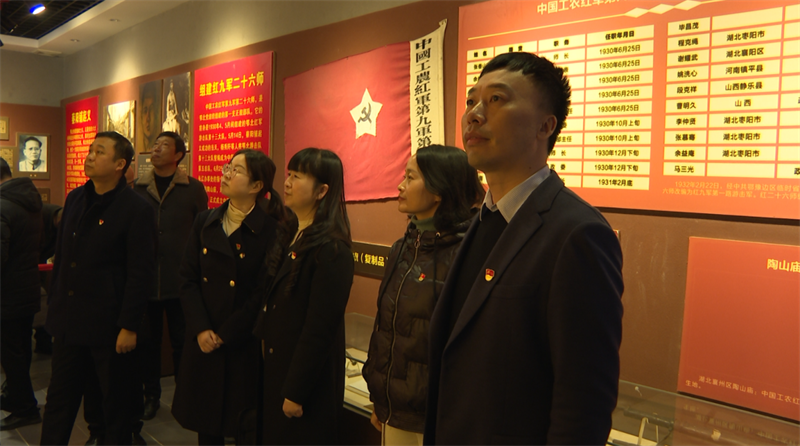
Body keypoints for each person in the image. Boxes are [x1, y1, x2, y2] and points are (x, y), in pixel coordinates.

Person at [424, 52, 624, 446]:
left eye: (496, 99)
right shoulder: (483, 219)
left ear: (545, 126)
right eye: (471, 101)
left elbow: (583, 406)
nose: (473, 115)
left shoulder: (577, 234)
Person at [40, 131, 157, 446]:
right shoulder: (76, 198)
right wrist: (55, 305)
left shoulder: (136, 209)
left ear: (120, 164)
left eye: (99, 151)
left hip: (109, 324)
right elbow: (63, 257)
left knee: (115, 405)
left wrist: (129, 325)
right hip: (69, 321)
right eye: (91, 150)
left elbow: (141, 273)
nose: (90, 156)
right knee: (59, 401)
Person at [362, 145, 484, 446]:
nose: (400, 186)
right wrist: (381, 398)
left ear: (438, 190)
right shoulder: (403, 247)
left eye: (410, 177)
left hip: (441, 416)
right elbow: (385, 329)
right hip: (395, 410)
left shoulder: (469, 253)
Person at [171, 149, 289, 446]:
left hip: (241, 339)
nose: (226, 174)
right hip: (203, 336)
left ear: (256, 186)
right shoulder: (205, 221)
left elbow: (263, 291)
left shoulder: (272, 230)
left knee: (242, 422)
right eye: (228, 167)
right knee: (206, 422)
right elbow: (187, 278)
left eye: (236, 170)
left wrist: (226, 333)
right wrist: (201, 328)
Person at [254, 148, 354, 445]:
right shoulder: (292, 233)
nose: (287, 182)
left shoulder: (332, 249)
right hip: (278, 368)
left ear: (322, 191)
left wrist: (295, 392)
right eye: (289, 174)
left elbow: (319, 329)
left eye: (297, 177)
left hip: (306, 387)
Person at [133, 131, 208, 422]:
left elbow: (202, 231)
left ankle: (184, 396)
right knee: (148, 343)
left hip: (181, 280)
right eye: (155, 144)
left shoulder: (193, 188)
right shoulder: (137, 187)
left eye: (164, 145)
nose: (156, 149)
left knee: (182, 342)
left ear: (178, 155)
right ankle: (150, 396)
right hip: (147, 278)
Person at [0, 157, 43, 430]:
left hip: (6, 293)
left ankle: (25, 408)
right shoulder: (27, 200)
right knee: (21, 349)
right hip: (26, 288)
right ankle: (15, 395)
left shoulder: (3, 205)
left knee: (11, 354)